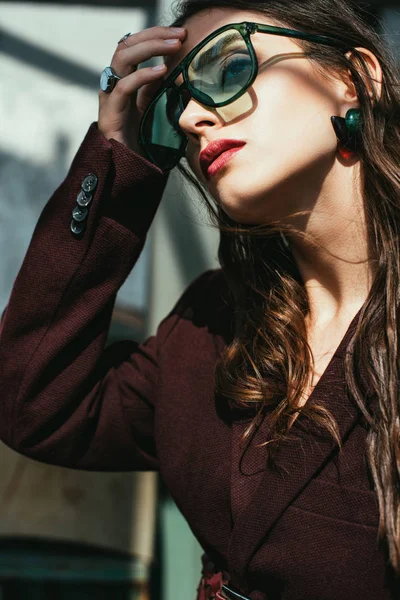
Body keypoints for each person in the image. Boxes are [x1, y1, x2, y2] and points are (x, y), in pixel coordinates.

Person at [0, 0, 399, 597]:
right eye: (174, 103)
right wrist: (119, 158)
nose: (189, 118)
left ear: (353, 77)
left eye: (228, 67)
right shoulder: (212, 323)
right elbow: (36, 401)